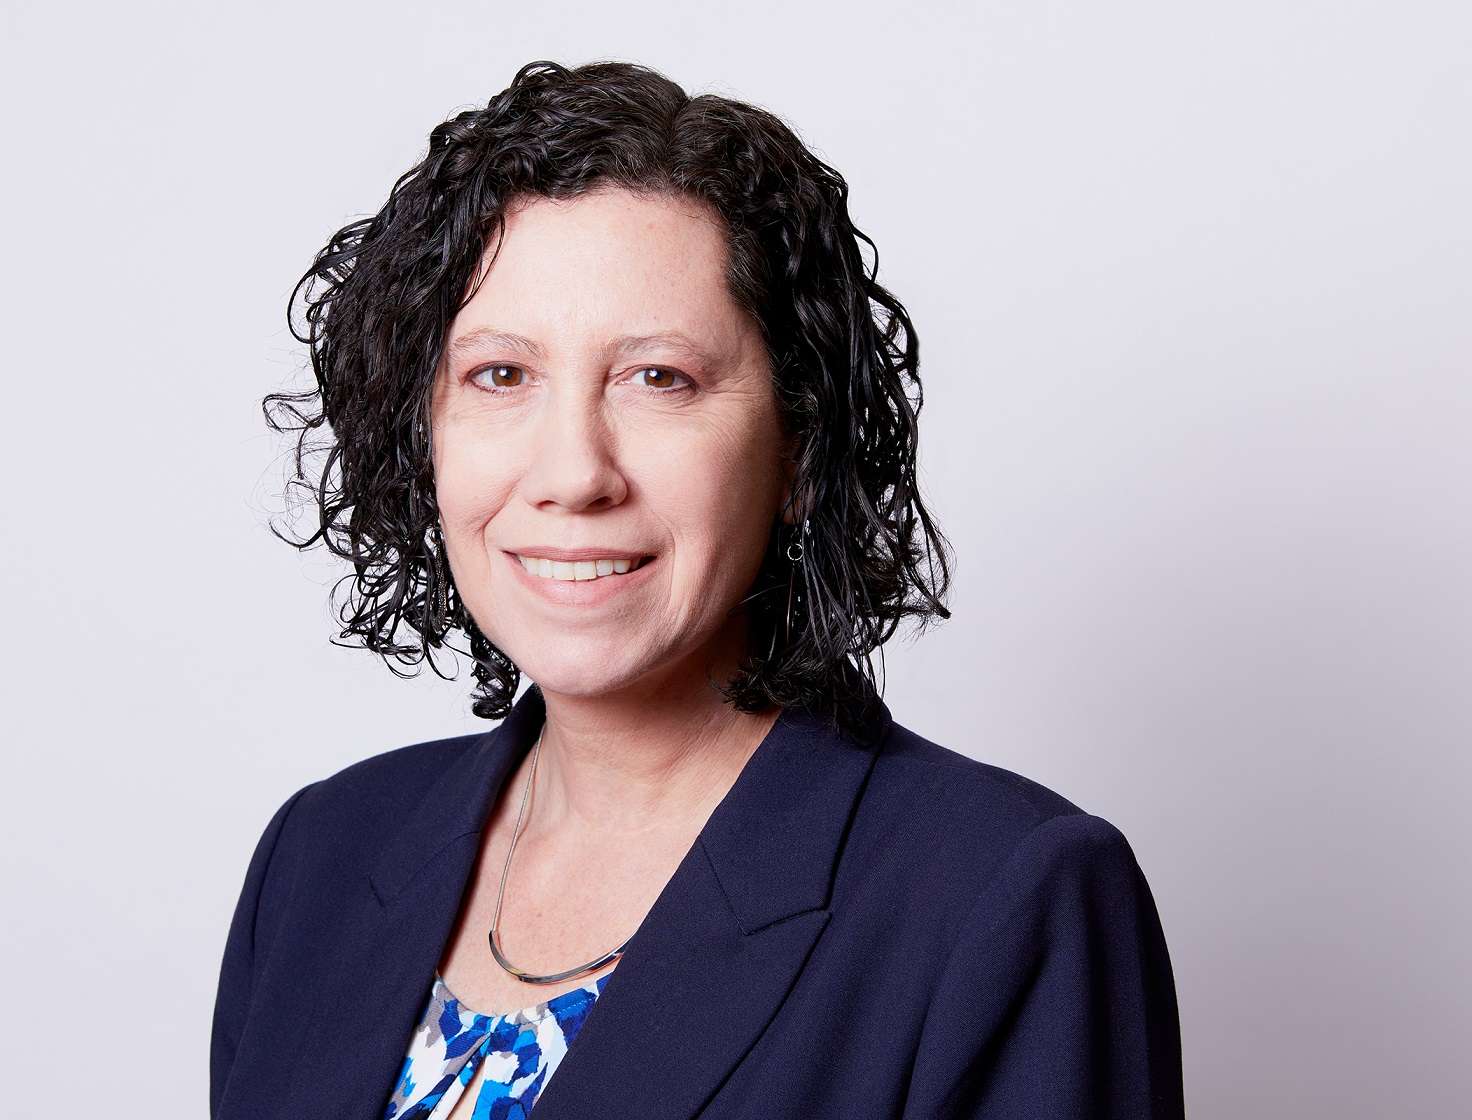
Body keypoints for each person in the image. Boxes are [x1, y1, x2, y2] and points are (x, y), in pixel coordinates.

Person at [211, 59, 1184, 1120]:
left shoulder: (1004, 896)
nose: (573, 472)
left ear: (800, 450)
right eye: (501, 375)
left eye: (657, 377)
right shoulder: (320, 855)